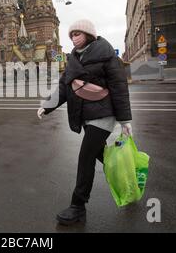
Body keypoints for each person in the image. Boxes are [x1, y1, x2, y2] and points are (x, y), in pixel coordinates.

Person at [37, 19, 132, 226]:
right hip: (87, 116)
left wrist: (125, 120)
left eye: (78, 33)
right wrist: (47, 106)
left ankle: (78, 206)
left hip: (104, 115)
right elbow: (64, 87)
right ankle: (127, 181)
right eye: (71, 35)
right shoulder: (72, 60)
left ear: (89, 34)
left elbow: (119, 86)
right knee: (104, 157)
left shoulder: (106, 54)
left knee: (85, 158)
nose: (74, 37)